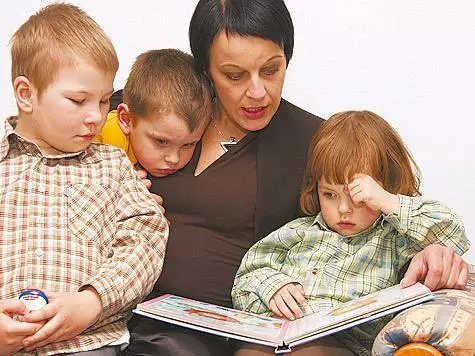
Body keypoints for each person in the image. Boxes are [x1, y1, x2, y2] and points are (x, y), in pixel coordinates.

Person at [125, 1, 470, 355]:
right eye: (234, 75)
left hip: (227, 331)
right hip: (124, 305)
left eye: (271, 70)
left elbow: (392, 210)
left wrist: (434, 251)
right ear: (205, 69)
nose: (258, 92)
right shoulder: (157, 112)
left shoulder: (316, 142)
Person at [0, 3, 168, 355]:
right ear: (26, 94)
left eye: (104, 100)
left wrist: (93, 300)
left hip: (91, 343)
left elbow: (146, 240)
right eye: (78, 101)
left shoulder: (113, 165)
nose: (95, 116)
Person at [231, 110, 469, 355]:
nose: (343, 209)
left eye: (358, 197)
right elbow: (246, 277)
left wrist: (387, 201)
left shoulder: (393, 239)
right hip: (279, 335)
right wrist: (274, 287)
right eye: (329, 195)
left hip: (342, 344)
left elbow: (453, 236)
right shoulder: (297, 233)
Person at [96, 48, 212, 178]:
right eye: (161, 141)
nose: (174, 159)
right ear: (126, 120)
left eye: (187, 145)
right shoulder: (105, 138)